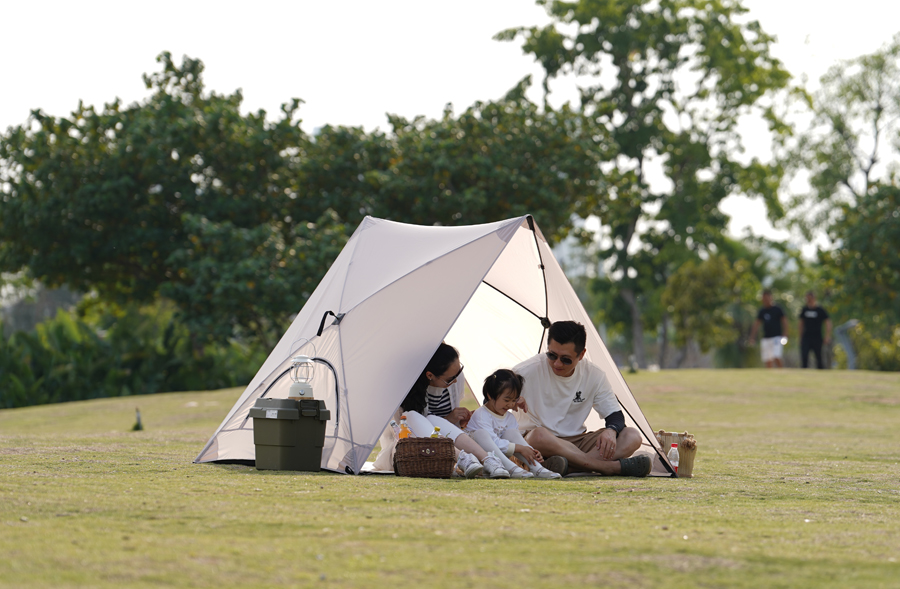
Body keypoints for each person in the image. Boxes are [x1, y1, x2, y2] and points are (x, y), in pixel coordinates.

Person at [512, 321, 652, 478]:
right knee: (539, 436)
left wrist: (611, 430)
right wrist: (511, 402)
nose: (557, 363)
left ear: (582, 354)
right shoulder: (524, 371)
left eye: (566, 359)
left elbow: (615, 415)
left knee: (632, 436)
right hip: (538, 444)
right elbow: (490, 404)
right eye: (552, 355)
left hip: (576, 442)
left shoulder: (594, 374)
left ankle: (569, 468)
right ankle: (608, 468)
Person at [372, 343, 510, 478]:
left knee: (432, 419)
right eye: (450, 379)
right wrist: (449, 419)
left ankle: (488, 460)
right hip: (409, 452)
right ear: (430, 375)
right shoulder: (405, 391)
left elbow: (443, 426)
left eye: (459, 372)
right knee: (411, 416)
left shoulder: (455, 380)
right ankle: (462, 458)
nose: (455, 381)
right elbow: (404, 434)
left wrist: (459, 421)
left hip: (445, 447)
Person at [465, 369, 562, 479]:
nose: (510, 405)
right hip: (479, 459)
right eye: (507, 400)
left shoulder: (509, 417)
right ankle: (511, 468)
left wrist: (530, 451)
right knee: (480, 434)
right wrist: (519, 448)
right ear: (490, 395)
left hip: (500, 460)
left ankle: (537, 467)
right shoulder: (481, 415)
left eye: (514, 400)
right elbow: (493, 442)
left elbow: (515, 439)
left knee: (512, 432)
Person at [748, 289, 789, 368]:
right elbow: (756, 324)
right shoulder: (762, 311)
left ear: (771, 297)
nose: (765, 300)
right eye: (764, 298)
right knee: (767, 359)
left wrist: (785, 333)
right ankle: (770, 376)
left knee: (776, 356)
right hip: (766, 338)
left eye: (767, 298)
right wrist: (752, 337)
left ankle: (782, 371)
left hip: (776, 337)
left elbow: (784, 321)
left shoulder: (777, 309)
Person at [798, 290, 832, 369]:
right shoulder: (804, 310)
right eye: (807, 298)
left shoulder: (820, 310)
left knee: (819, 357)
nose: (808, 300)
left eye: (809, 298)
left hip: (817, 337)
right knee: (804, 356)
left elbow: (828, 322)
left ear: (814, 298)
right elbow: (800, 324)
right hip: (806, 337)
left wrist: (827, 336)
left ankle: (821, 374)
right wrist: (800, 337)